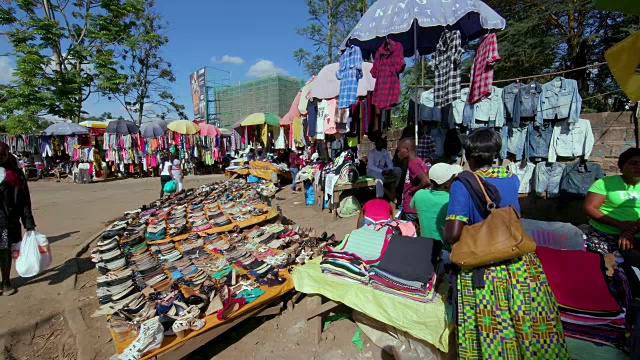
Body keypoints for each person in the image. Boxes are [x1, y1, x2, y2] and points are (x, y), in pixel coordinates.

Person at [443, 128, 568, 359]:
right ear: (495, 154)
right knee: (520, 319)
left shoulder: (463, 183)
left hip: (484, 268)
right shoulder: (512, 178)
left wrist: (445, 230)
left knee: (492, 325)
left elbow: (454, 231)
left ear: (468, 155)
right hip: (518, 262)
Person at [584, 148, 640, 255]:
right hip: (605, 233)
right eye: (633, 163)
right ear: (622, 167)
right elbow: (590, 208)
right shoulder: (604, 183)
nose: (638, 166)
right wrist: (620, 224)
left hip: (637, 234)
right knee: (595, 262)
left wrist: (630, 230)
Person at [0, 143, 36, 296]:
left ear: (8, 154)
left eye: (3, 155)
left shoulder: (16, 175)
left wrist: (28, 223)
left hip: (6, 222)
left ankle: (6, 281)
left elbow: (24, 201)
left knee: (4, 251)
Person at [411, 163, 462, 250]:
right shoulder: (452, 201)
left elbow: (412, 206)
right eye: (453, 178)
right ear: (447, 184)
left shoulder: (419, 194)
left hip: (424, 246)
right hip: (444, 249)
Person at [396, 138, 431, 223]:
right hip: (412, 207)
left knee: (409, 233)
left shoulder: (413, 163)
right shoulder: (418, 161)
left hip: (410, 208)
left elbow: (426, 181)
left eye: (399, 151)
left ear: (407, 150)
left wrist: (412, 191)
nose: (398, 153)